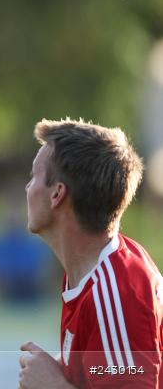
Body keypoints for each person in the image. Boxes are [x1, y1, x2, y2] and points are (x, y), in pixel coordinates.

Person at [18, 119, 163, 389]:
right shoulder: (94, 272)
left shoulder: (114, 292)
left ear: (57, 194)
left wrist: (53, 385)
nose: (28, 188)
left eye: (33, 177)